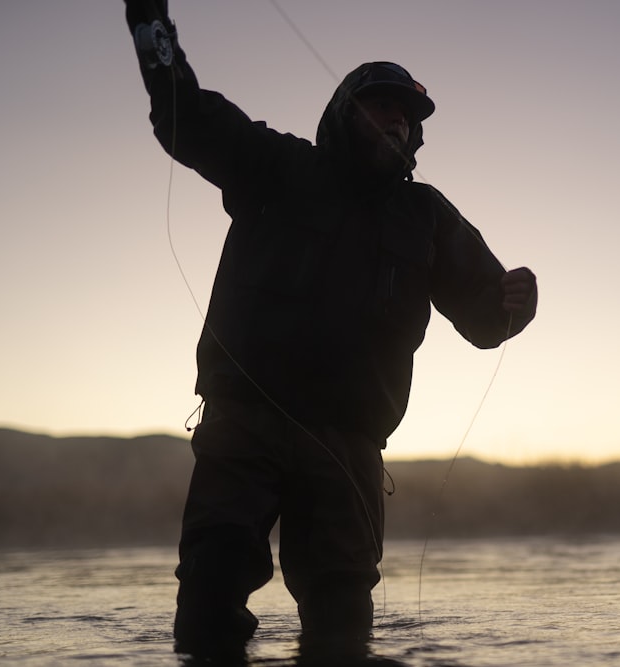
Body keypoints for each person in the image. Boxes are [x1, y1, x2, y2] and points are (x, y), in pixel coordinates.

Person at [122, 0, 538, 660]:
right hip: (244, 424)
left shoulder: (427, 215)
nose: (397, 121)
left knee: (342, 620)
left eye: (407, 116)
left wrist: (518, 301)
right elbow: (187, 116)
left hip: (349, 448)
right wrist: (151, 28)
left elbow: (487, 318)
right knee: (210, 589)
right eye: (382, 106)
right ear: (346, 113)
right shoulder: (278, 165)